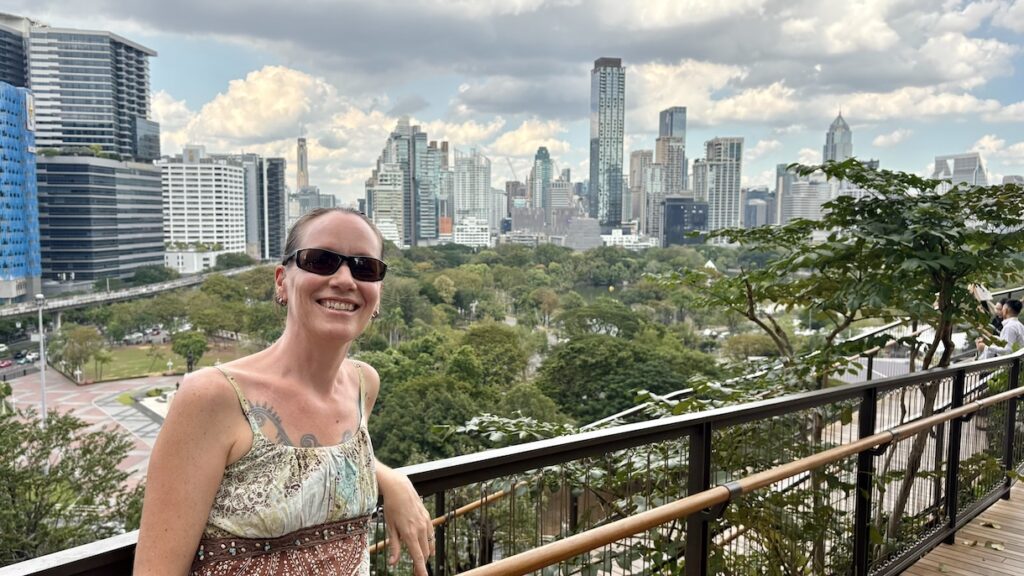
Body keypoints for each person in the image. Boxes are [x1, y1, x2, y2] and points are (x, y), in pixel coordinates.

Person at [135, 208, 434, 575]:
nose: (345, 279)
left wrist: (389, 477)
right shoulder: (214, 397)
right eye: (320, 260)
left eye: (365, 267)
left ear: (378, 293)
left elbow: (326, 468)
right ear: (282, 281)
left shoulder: (362, 384)